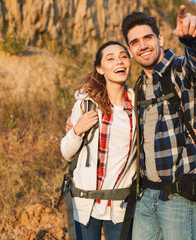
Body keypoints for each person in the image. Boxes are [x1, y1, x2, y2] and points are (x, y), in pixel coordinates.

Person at [121, 5, 196, 240]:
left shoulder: (180, 70)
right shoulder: (140, 86)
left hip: (181, 198)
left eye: (148, 37)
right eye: (135, 42)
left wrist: (193, 39)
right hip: (147, 196)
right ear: (130, 50)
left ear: (160, 38)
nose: (142, 45)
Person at [60, 41, 137, 240]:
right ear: (100, 68)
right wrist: (76, 131)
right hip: (85, 204)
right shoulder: (86, 104)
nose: (119, 61)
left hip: (120, 206)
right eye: (110, 59)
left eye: (123, 56)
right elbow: (66, 153)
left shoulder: (139, 107)